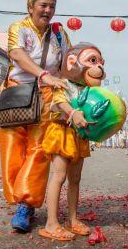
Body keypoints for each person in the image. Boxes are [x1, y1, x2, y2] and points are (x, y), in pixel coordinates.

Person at [0, 0, 71, 232]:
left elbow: (68, 66)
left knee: (39, 151)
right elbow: (17, 55)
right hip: (16, 94)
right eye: (43, 5)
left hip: (48, 96)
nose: (48, 10)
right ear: (31, 7)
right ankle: (19, 198)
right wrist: (43, 74)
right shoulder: (19, 28)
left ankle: (25, 205)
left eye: (52, 6)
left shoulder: (60, 35)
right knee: (11, 150)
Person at [39, 42, 105, 241]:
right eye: (93, 61)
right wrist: (72, 112)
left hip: (79, 135)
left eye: (101, 62)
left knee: (75, 179)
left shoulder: (88, 90)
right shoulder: (63, 82)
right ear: (72, 61)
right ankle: (51, 223)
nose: (99, 67)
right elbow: (59, 101)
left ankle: (72, 219)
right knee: (59, 176)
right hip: (62, 131)